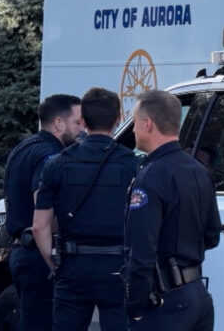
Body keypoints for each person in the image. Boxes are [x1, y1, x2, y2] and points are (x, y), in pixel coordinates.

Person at [33, 87, 138, 330]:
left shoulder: (58, 164)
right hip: (118, 267)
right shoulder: (133, 164)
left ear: (82, 120)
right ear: (119, 118)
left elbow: (40, 227)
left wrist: (55, 266)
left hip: (73, 266)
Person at [123, 90, 222, 331]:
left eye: (135, 123)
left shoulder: (151, 176)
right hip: (198, 295)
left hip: (165, 303)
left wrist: (134, 307)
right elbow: (212, 235)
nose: (134, 130)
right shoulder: (199, 170)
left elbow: (142, 251)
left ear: (147, 124)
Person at [4, 94, 84, 331]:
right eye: (78, 122)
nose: (82, 129)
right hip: (40, 255)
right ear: (59, 123)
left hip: (23, 252)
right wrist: (54, 265)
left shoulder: (25, 147)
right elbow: (43, 212)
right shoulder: (51, 156)